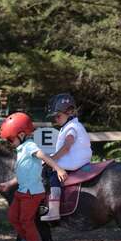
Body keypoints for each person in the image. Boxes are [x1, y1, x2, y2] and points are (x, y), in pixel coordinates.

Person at [0, 112, 67, 241]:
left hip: (32, 193)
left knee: (25, 220)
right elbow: (24, 174)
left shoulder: (29, 146)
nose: (9, 142)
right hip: (22, 191)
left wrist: (58, 168)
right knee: (12, 217)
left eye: (10, 139)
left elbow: (43, 156)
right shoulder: (21, 150)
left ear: (21, 135)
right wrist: (8, 184)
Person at [40, 93, 92, 221]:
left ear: (70, 112)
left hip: (74, 162)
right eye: (54, 117)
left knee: (53, 177)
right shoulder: (69, 126)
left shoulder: (72, 127)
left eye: (58, 116)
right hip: (75, 159)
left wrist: (53, 159)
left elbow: (67, 146)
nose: (56, 119)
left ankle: (53, 210)